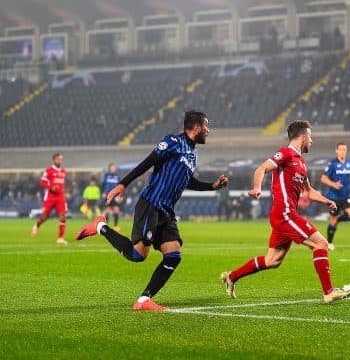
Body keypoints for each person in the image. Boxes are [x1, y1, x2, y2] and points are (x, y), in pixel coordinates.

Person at [74, 111, 228, 311]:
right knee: (138, 255)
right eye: (206, 126)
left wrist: (212, 186)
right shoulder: (173, 142)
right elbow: (148, 162)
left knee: (173, 255)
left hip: (166, 211)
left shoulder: (193, 153)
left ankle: (143, 300)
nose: (209, 130)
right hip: (151, 204)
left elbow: (187, 180)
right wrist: (123, 184)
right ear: (197, 127)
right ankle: (101, 226)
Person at [221, 120, 350, 303]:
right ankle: (329, 292)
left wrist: (326, 200)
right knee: (321, 243)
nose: (312, 141)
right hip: (284, 214)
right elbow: (262, 168)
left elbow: (307, 190)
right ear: (304, 136)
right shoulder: (286, 153)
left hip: (285, 215)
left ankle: (232, 276)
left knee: (272, 260)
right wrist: (257, 187)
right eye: (311, 137)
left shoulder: (301, 162)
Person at [320, 142, 350, 250]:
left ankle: (339, 220)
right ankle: (329, 242)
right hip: (334, 197)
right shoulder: (332, 164)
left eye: (344, 149)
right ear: (336, 151)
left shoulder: (349, 163)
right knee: (333, 219)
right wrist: (333, 184)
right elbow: (323, 178)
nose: (343, 151)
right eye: (341, 149)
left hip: (346, 196)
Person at [31, 153, 68, 245]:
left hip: (60, 196)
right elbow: (42, 182)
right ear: (54, 160)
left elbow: (62, 184)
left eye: (60, 159)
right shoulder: (48, 170)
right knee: (44, 216)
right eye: (57, 159)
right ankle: (36, 225)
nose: (59, 161)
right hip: (50, 196)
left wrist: (64, 192)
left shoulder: (63, 171)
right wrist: (51, 187)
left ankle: (60, 238)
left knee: (62, 216)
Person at [102, 163, 122, 231]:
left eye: (114, 168)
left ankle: (115, 226)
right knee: (108, 210)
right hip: (108, 195)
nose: (114, 169)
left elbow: (120, 187)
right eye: (112, 167)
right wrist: (103, 192)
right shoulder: (106, 176)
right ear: (109, 168)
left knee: (116, 210)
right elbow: (103, 185)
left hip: (115, 196)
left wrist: (120, 195)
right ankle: (105, 226)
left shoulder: (118, 177)